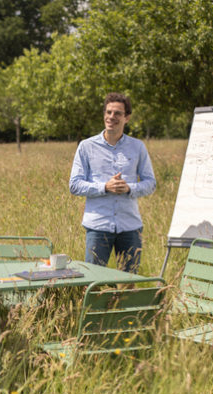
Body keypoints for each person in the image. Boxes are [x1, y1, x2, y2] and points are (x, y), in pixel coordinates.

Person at [69, 92, 157, 273]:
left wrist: (129, 188)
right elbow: (74, 184)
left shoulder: (137, 147)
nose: (111, 117)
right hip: (98, 226)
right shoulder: (86, 146)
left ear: (127, 118)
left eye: (117, 113)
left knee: (128, 282)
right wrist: (104, 187)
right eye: (108, 112)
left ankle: (122, 302)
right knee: (93, 281)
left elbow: (151, 183)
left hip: (130, 226)